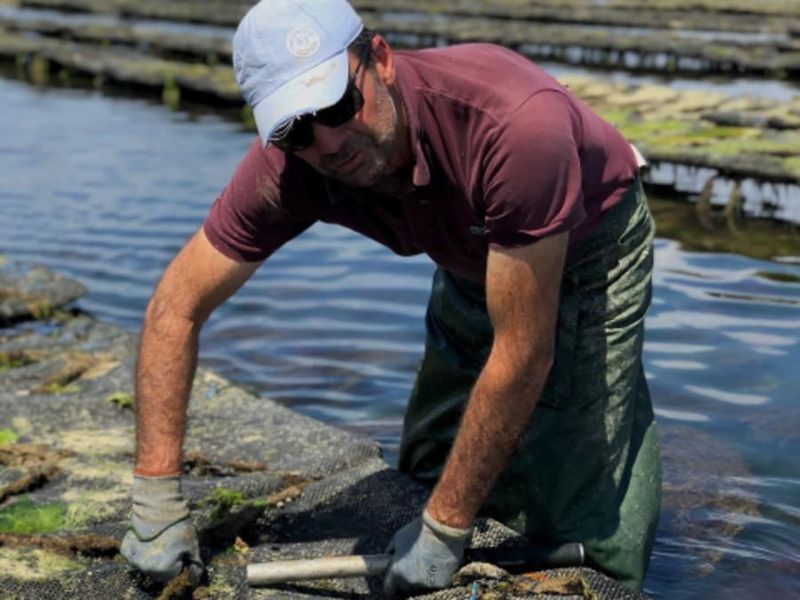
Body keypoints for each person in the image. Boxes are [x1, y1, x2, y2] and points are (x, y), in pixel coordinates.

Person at [120, 0, 662, 595]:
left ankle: (607, 576)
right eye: (296, 127)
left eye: (336, 105)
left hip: (589, 241)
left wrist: (445, 529)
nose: (328, 141)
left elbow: (524, 355)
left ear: (380, 60)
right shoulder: (292, 166)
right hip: (469, 249)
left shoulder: (516, 128)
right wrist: (155, 495)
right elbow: (176, 306)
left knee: (582, 456)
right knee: (432, 453)